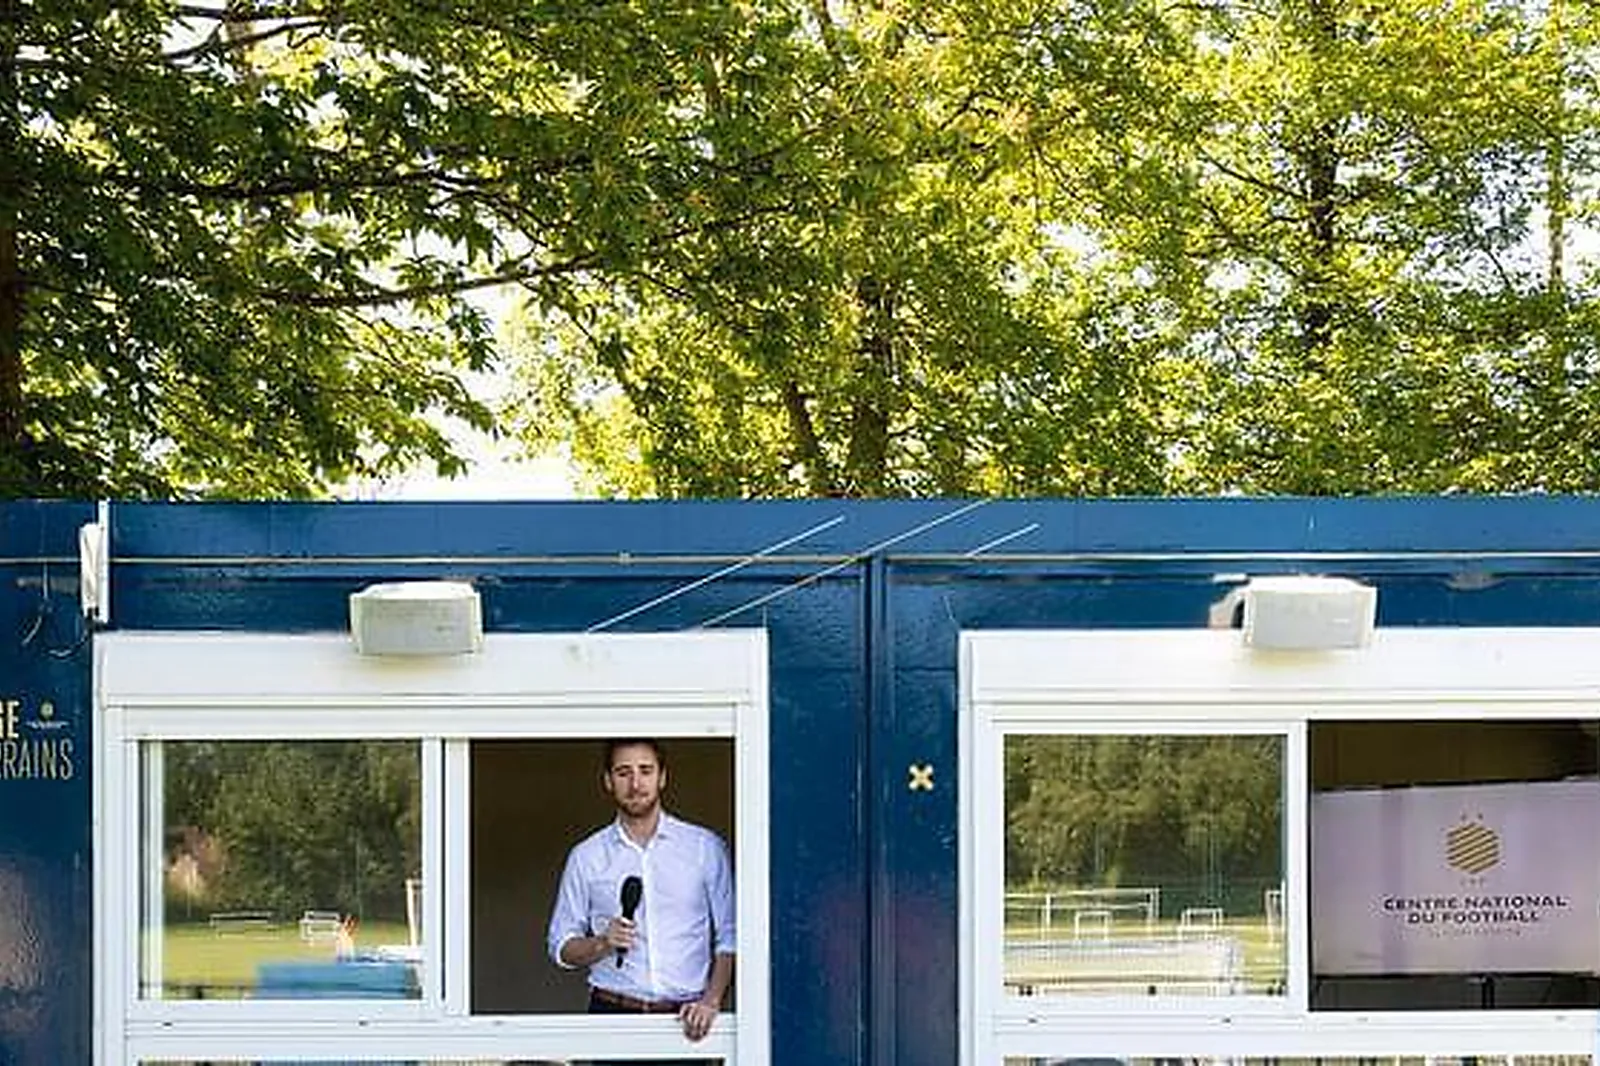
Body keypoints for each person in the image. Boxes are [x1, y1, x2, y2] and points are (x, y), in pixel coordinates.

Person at [547, 738, 735, 1056]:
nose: (636, 784)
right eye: (623, 772)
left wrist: (712, 1000)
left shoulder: (704, 848)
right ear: (608, 781)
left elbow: (731, 935)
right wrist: (602, 943)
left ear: (662, 777)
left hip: (688, 1025)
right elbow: (560, 947)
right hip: (611, 1019)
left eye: (645, 771)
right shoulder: (587, 856)